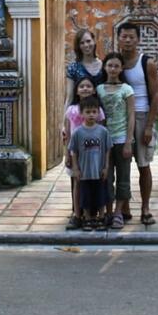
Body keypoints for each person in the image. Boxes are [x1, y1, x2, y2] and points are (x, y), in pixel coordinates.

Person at [117, 22, 158, 225]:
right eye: (124, 36)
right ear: (118, 39)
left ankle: (145, 207)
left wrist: (150, 126)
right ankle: (123, 207)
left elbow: (156, 94)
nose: (127, 40)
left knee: (143, 165)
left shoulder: (147, 63)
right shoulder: (114, 63)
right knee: (120, 165)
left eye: (131, 37)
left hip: (141, 116)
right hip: (120, 119)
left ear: (138, 39)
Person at [96, 52, 135, 230]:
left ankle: (119, 212)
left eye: (116, 66)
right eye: (110, 65)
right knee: (106, 177)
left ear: (121, 69)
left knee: (123, 177)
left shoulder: (127, 89)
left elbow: (131, 115)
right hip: (104, 141)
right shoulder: (99, 89)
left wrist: (128, 141)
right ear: (105, 67)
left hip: (121, 139)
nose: (113, 69)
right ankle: (108, 212)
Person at [62, 75, 104, 230]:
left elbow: (102, 131)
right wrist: (67, 154)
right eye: (81, 86)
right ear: (77, 91)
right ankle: (77, 215)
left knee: (95, 183)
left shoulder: (97, 110)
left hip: (93, 152)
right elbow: (67, 132)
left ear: (94, 90)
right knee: (77, 183)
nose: (85, 88)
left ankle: (95, 215)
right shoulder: (71, 110)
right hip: (76, 153)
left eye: (88, 86)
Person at [67, 95, 111, 231]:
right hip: (84, 172)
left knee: (101, 196)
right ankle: (87, 219)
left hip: (99, 171)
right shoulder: (77, 133)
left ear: (98, 113)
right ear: (81, 113)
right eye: (88, 112)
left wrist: (106, 166)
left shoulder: (103, 132)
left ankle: (101, 218)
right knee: (85, 196)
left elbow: (108, 149)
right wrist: (75, 168)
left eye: (94, 112)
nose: (91, 115)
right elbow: (73, 151)